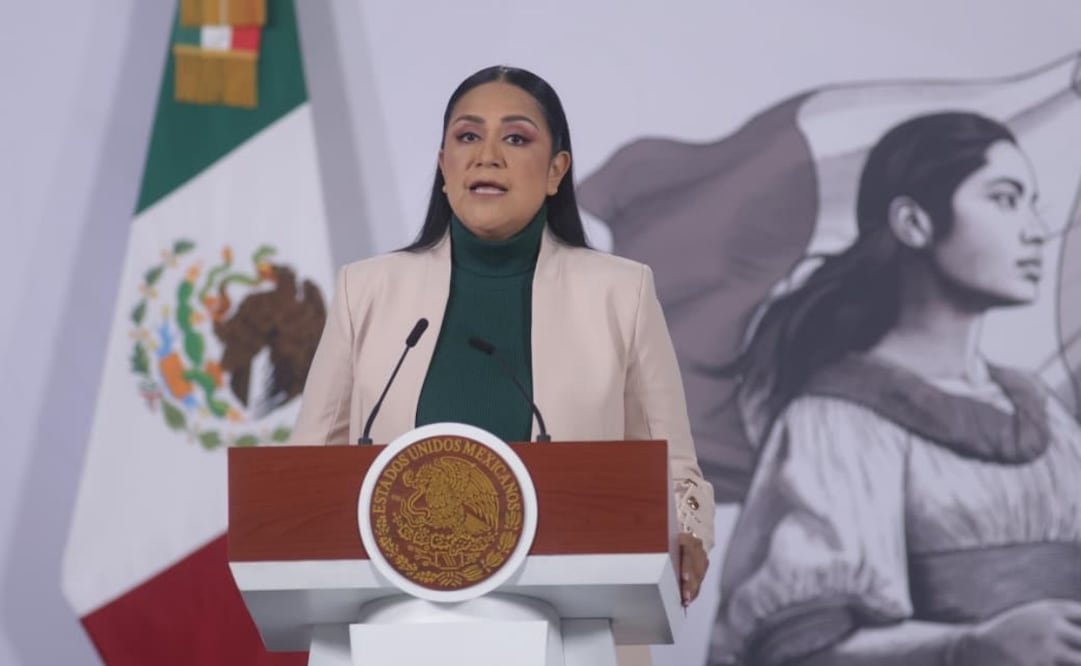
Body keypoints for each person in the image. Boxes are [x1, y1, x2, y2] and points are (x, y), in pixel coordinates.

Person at [289, 65, 716, 666]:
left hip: (573, 635)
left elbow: (674, 466)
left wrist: (689, 531)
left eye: (515, 138)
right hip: (389, 631)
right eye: (468, 137)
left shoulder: (620, 293)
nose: (487, 155)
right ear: (443, 164)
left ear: (556, 171)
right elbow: (307, 472)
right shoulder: (369, 291)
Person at [711, 111, 1081, 666]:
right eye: (1005, 199)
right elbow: (792, 650)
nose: (1034, 230)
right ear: (914, 222)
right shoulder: (838, 420)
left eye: (1033, 204)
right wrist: (970, 647)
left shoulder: (1045, 414)